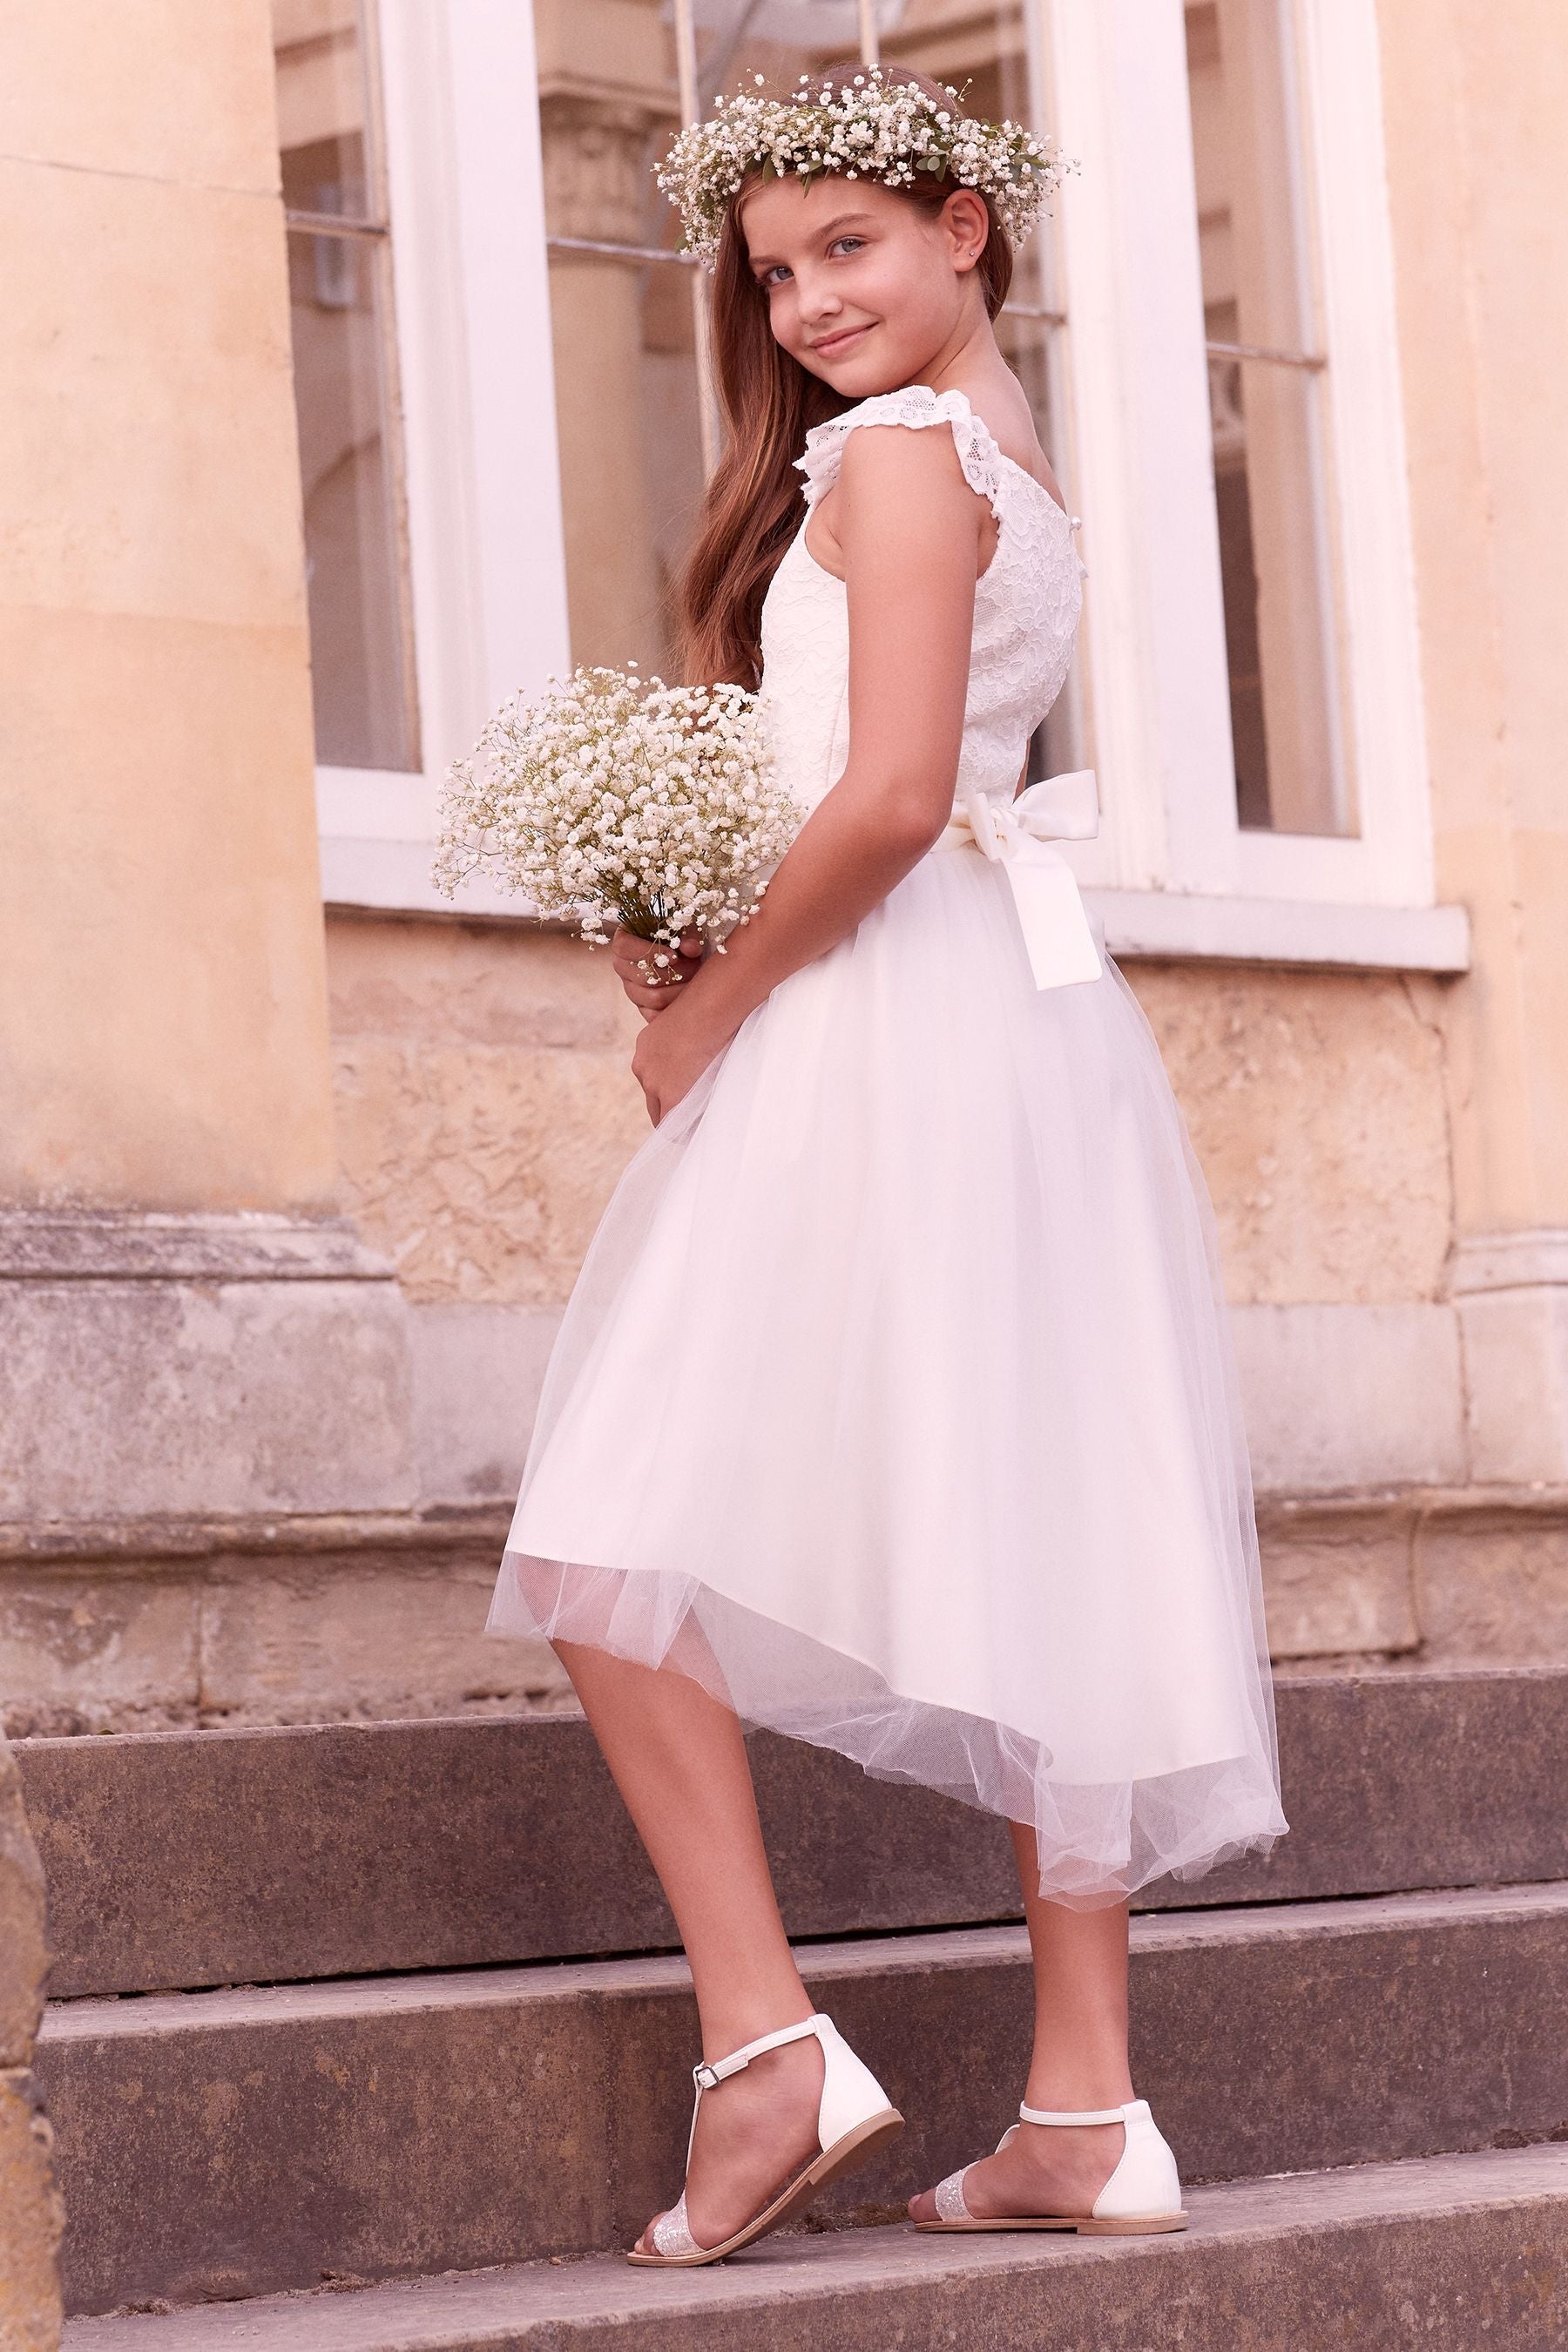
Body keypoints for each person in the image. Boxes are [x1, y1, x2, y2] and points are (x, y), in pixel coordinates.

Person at [484, 61, 1290, 2267]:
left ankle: (766, 2045)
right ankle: (1083, 2103)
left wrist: (696, 1011)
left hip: (885, 1015)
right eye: (773, 273)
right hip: (1015, 1025)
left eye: (851, 247)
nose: (813, 301)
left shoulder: (907, 460)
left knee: (599, 1530)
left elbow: (896, 792)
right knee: (1052, 1522)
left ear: (968, 230)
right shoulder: (1005, 460)